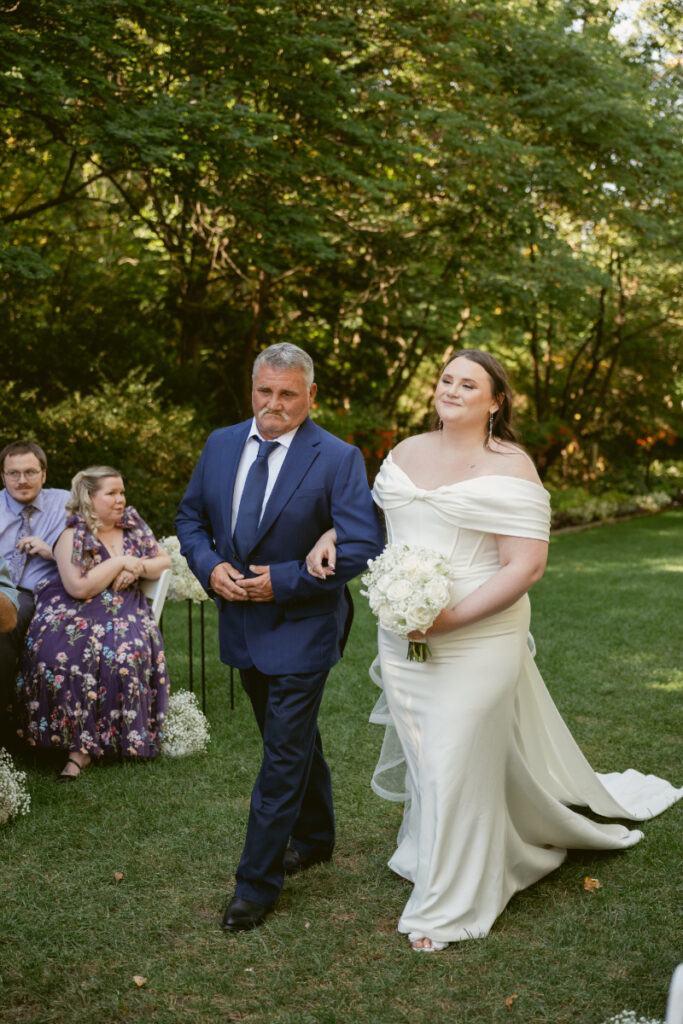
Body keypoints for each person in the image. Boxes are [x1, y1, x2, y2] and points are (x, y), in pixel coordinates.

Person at [308, 349, 682, 952]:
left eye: (468, 383)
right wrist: (332, 534)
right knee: (433, 757)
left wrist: (448, 618)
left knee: (454, 750)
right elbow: (381, 517)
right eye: (446, 378)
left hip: (481, 634)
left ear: (495, 400)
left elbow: (526, 566)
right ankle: (447, 850)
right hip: (405, 635)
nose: (451, 389)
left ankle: (449, 905)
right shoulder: (405, 452)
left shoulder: (512, 466)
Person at [176, 342, 384, 932]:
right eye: (264, 392)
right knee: (287, 736)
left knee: (281, 754)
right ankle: (317, 836)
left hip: (303, 624)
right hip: (241, 624)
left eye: (288, 394)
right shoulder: (220, 444)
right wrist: (208, 565)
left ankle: (256, 883)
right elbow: (190, 520)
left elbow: (363, 544)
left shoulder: (338, 457)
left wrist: (284, 582)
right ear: (252, 388)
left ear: (311, 395)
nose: (274, 404)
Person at [18, 466, 171, 780]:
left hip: (123, 608)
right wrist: (120, 562)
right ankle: (72, 742)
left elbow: (164, 560)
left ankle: (91, 746)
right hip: (72, 607)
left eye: (122, 492)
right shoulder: (72, 534)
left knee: (124, 651)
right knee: (57, 653)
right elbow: (79, 587)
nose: (120, 500)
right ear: (89, 498)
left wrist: (137, 565)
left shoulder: (132, 527)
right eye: (111, 493)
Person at [0, 440, 70, 748]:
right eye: (13, 473)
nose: (22, 480)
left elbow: (94, 552)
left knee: (4, 631)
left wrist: (52, 550)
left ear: (44, 473)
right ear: (3, 476)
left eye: (30, 472)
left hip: (38, 592)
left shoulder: (67, 504)